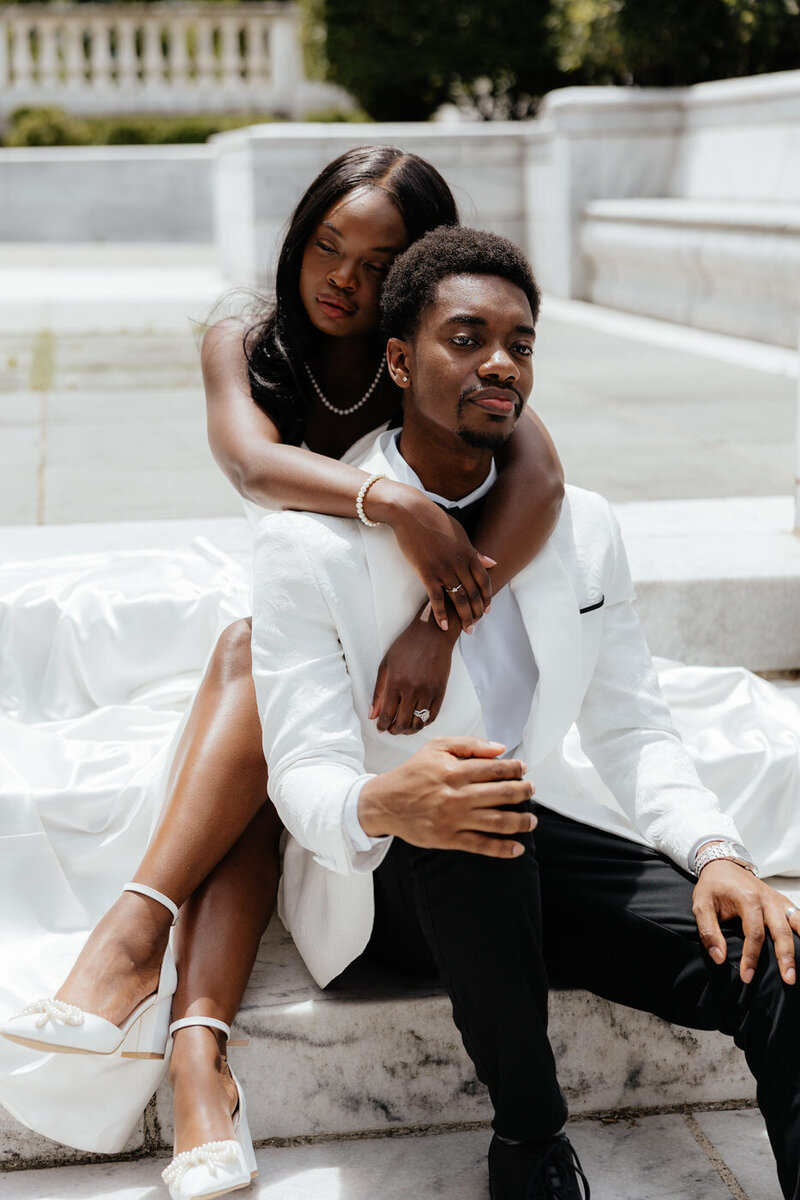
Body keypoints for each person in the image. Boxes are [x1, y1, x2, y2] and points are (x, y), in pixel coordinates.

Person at [0, 148, 565, 1192]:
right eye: (324, 246)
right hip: (274, 594)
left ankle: (162, 993)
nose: (341, 278)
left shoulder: (441, 350)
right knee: (251, 656)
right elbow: (251, 465)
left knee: (264, 694)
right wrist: (392, 502)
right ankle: (184, 1029)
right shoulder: (246, 335)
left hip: (389, 626)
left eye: (378, 259)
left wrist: (442, 623)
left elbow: (540, 480)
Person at [248, 227, 800, 1200]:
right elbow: (300, 771)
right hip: (385, 877)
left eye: (519, 342)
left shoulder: (580, 526)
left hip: (531, 831)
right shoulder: (308, 550)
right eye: (465, 337)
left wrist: (717, 853)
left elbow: (631, 729)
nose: (499, 361)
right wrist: (387, 800)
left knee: (776, 966)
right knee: (470, 817)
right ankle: (529, 1144)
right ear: (396, 358)